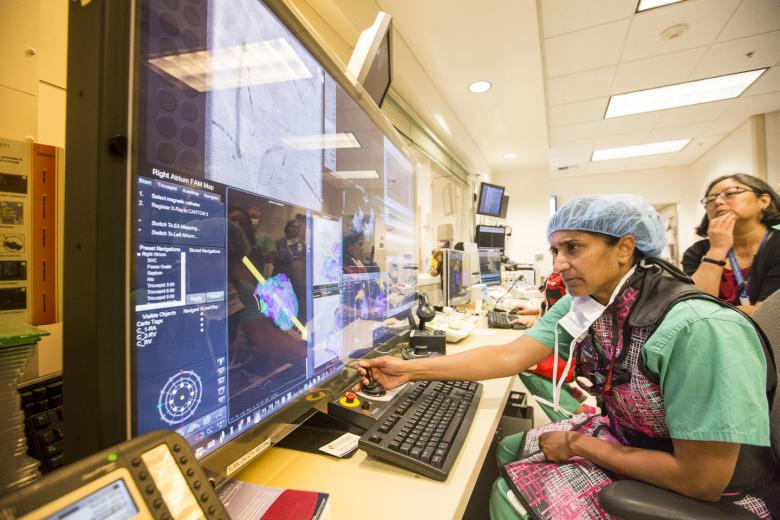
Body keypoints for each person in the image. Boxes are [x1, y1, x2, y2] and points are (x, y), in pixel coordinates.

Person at [356, 194, 776, 519]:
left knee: (507, 495)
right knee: (505, 449)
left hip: (712, 493)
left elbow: (701, 480)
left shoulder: (699, 328)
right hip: (627, 436)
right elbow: (507, 356)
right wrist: (409, 370)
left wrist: (580, 445)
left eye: (573, 248)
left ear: (625, 248)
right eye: (555, 250)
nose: (558, 266)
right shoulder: (588, 305)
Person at [683, 173, 780, 315]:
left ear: (763, 201)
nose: (718, 202)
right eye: (710, 199)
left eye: (730, 193)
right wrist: (717, 249)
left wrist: (718, 314)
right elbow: (698, 311)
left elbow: (768, 316)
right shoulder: (697, 252)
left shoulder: (776, 245)